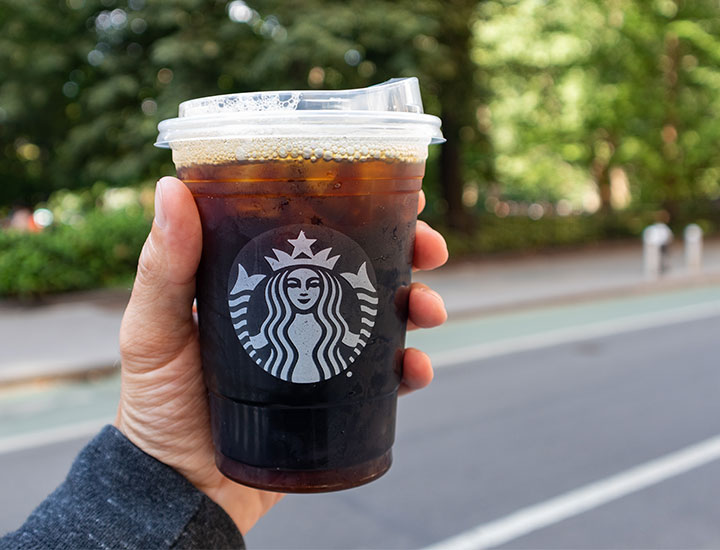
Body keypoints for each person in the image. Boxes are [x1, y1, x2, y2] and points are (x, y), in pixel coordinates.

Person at [0, 176, 449, 550]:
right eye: (293, 284)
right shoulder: (271, 329)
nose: (305, 291)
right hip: (223, 448)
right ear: (278, 291)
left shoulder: (338, 328)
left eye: (316, 282)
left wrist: (153, 494)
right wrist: (175, 480)